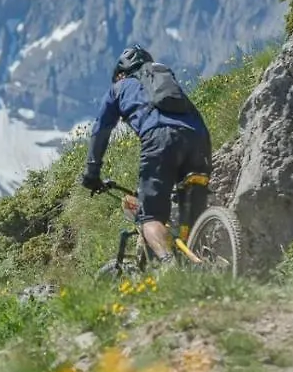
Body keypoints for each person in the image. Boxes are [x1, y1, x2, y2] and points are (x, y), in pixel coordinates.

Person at [80, 44, 212, 264]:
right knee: (192, 209)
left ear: (121, 72)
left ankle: (171, 268)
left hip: (159, 138)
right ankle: (203, 258)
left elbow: (100, 130)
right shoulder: (165, 80)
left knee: (150, 217)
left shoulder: (119, 87)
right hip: (199, 139)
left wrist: (92, 173)